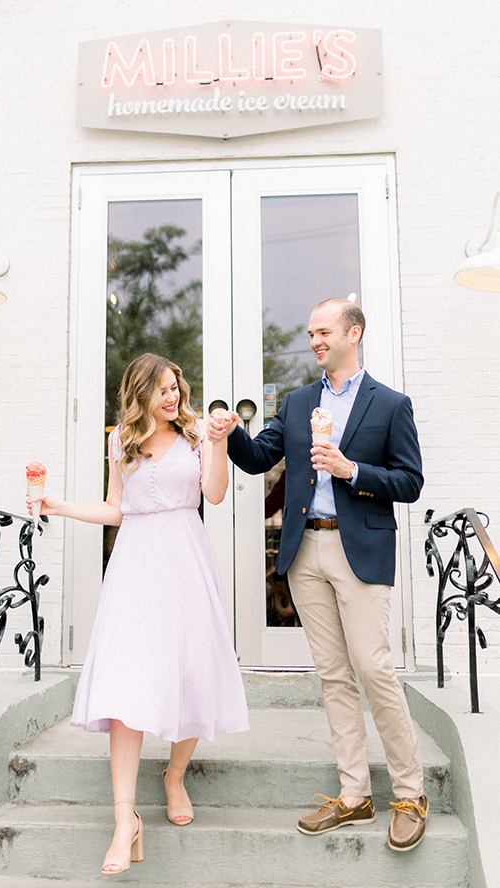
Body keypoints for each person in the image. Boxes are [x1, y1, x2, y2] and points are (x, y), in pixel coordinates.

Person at [208, 298, 427, 853]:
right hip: (306, 554)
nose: (314, 341)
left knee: (374, 669)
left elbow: (410, 482)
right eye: (309, 333)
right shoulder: (299, 401)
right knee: (332, 676)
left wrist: (352, 470)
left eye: (324, 332)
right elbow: (258, 458)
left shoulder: (391, 404)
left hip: (361, 552)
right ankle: (354, 794)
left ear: (354, 332)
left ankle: (410, 793)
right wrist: (231, 431)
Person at [28, 353, 249, 875]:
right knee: (125, 686)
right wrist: (60, 506)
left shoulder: (197, 432)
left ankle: (175, 774)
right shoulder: (118, 441)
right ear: (140, 393)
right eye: (163, 390)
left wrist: (217, 442)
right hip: (133, 567)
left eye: (177, 387)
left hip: (185, 560)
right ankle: (124, 819)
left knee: (192, 673)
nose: (174, 397)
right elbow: (116, 509)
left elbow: (213, 495)